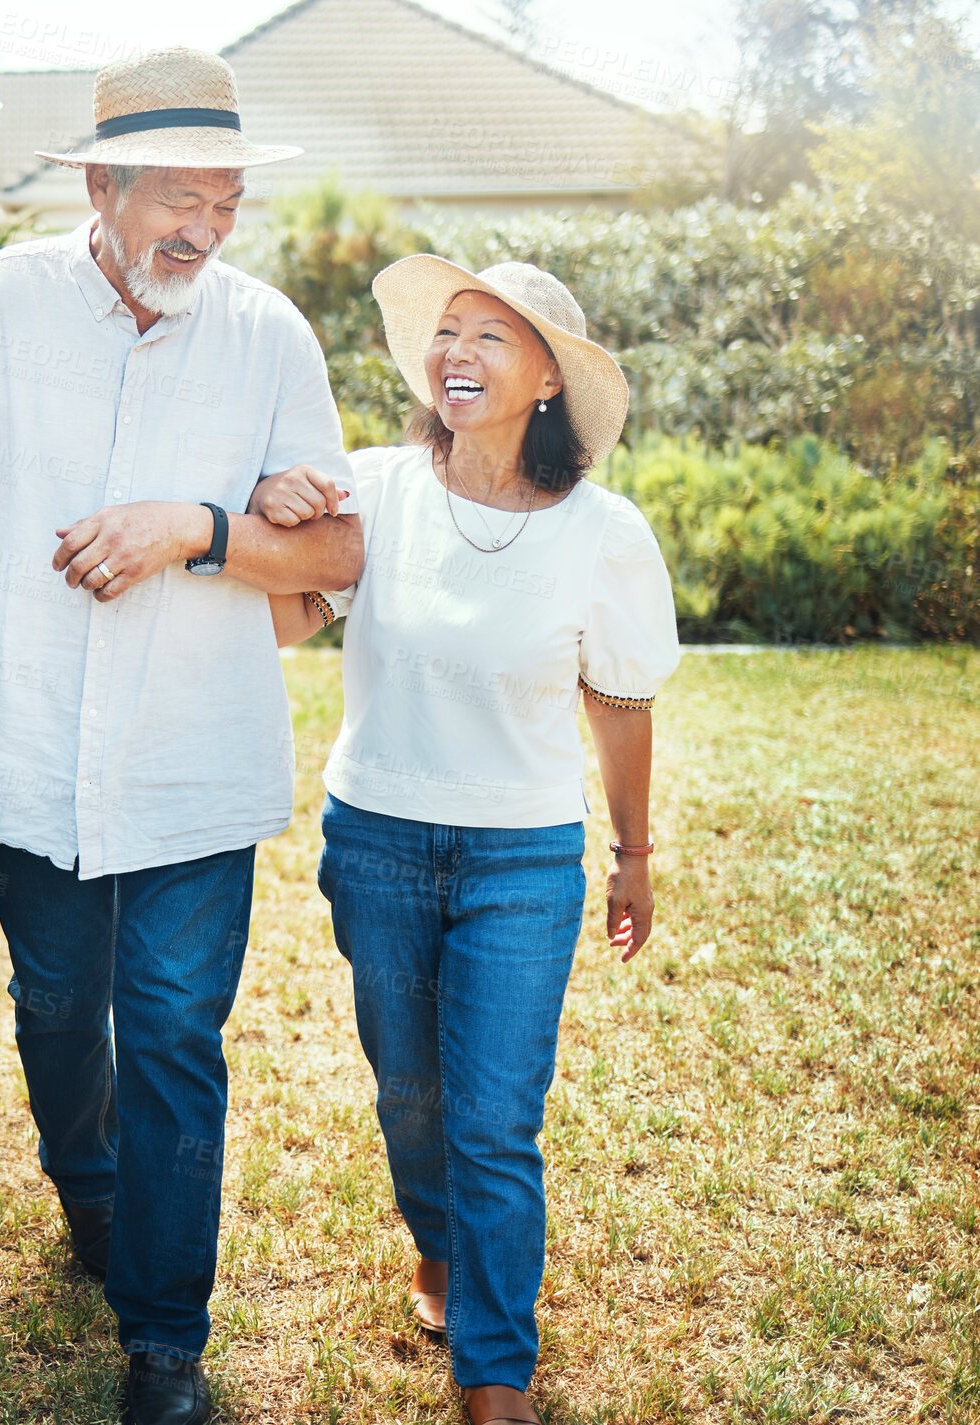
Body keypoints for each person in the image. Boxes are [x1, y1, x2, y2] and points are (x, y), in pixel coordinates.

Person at [0, 47, 362, 1425]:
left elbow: (334, 552)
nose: (203, 226)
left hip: (195, 758)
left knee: (176, 1037)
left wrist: (196, 528)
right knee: (57, 1009)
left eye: (226, 200)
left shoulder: (267, 335)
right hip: (25, 745)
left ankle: (163, 1345)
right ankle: (83, 1185)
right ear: (103, 181)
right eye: (179, 197)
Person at [255, 255, 680, 1425]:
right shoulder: (376, 489)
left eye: (491, 337)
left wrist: (630, 853)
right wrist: (256, 525)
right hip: (376, 840)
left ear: (547, 378)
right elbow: (290, 613)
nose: (457, 353)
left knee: (494, 1117)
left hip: (521, 860)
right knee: (410, 1094)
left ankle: (493, 1373)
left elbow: (622, 701)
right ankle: (433, 1245)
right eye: (447, 331)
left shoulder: (602, 531)